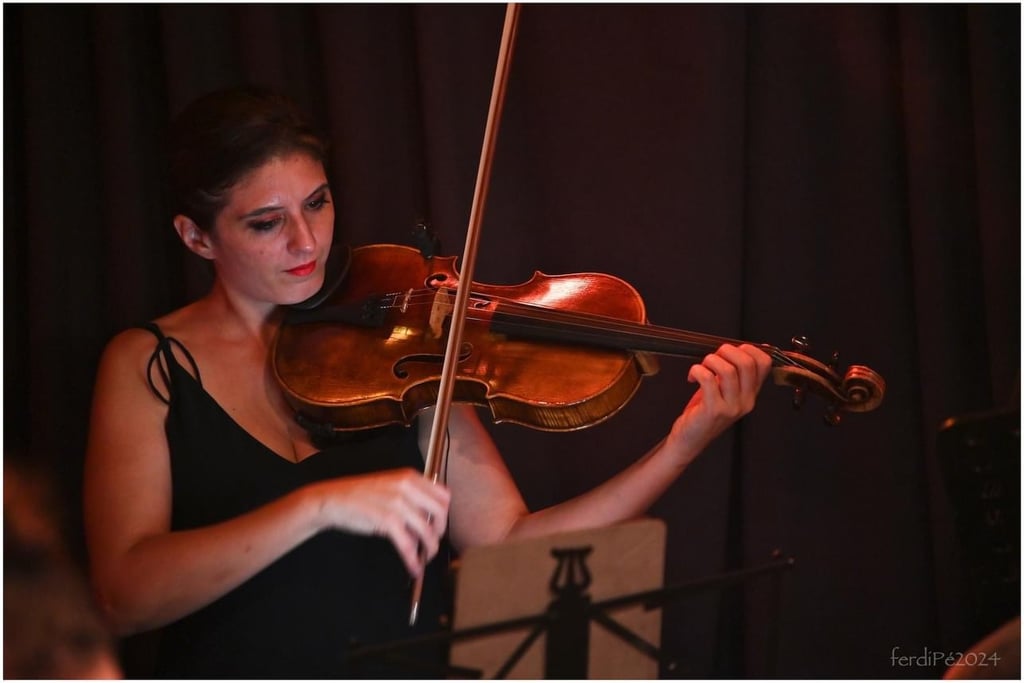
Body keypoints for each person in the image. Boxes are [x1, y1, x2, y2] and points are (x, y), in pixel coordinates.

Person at [83, 86, 772, 678]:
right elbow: (123, 596)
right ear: (196, 237)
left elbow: (508, 544)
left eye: (317, 203)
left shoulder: (402, 347)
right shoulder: (148, 364)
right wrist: (315, 508)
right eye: (267, 223)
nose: (307, 242)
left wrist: (681, 446)